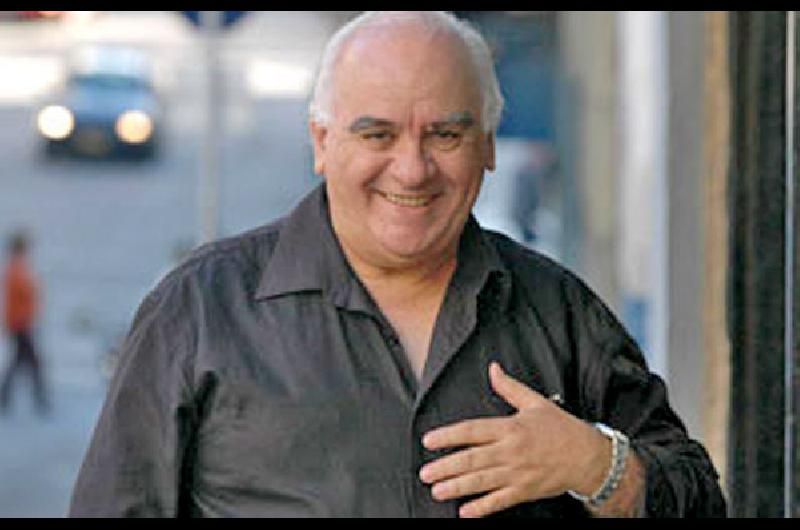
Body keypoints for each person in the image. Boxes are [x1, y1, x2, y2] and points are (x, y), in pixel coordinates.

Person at [69, 11, 726, 517]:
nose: (412, 169)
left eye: (445, 134)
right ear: (321, 142)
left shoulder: (558, 311)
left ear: (488, 146)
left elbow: (701, 498)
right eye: (377, 134)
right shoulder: (199, 311)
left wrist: (597, 465)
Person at [1, 230, 49, 415]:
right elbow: (22, 295)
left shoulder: (18, 268)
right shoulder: (16, 270)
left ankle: (7, 396)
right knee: (31, 363)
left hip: (21, 323)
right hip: (20, 324)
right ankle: (40, 399)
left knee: (18, 363)